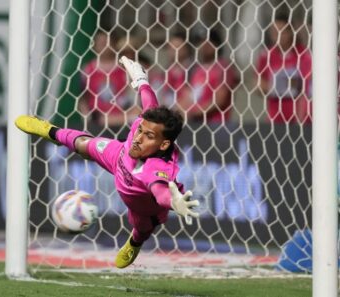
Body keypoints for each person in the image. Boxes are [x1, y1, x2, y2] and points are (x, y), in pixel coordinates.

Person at [16, 56, 199, 269]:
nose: (139, 137)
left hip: (141, 204)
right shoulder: (144, 128)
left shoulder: (155, 168)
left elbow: (160, 190)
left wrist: (173, 201)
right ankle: (49, 130)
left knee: (142, 229)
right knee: (85, 144)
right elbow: (149, 101)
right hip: (119, 155)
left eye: (148, 136)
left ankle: (134, 243)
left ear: (164, 145)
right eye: (140, 129)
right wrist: (140, 78)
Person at [256, 12, 312, 124]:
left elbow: (308, 85)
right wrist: (280, 86)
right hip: (275, 118)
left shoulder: (304, 55)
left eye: (282, 32)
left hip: (302, 119)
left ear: (291, 32)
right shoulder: (265, 56)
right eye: (274, 32)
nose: (277, 36)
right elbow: (259, 86)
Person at [79, 31, 137, 129]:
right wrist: (87, 119)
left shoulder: (125, 70)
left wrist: (116, 119)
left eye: (106, 42)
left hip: (121, 125)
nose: (103, 45)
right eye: (100, 42)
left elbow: (136, 104)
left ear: (114, 44)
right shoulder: (88, 69)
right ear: (94, 45)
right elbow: (83, 100)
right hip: (95, 124)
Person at [176, 29, 236, 124]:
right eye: (201, 42)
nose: (204, 45)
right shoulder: (196, 70)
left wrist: (194, 112)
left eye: (208, 42)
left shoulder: (223, 68)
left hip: (216, 124)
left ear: (216, 44)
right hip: (196, 124)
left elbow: (219, 99)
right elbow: (188, 95)